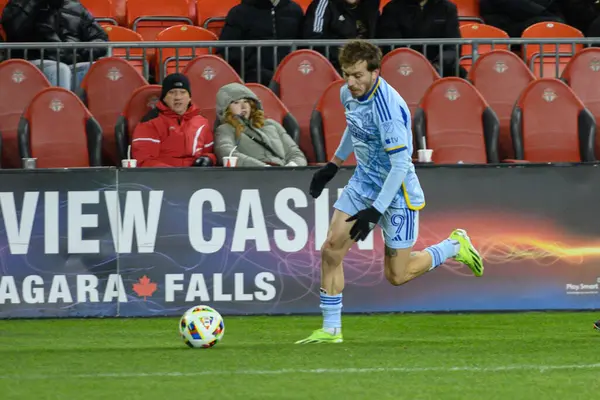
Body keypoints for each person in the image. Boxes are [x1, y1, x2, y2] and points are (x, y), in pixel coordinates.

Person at [295, 40, 484, 344]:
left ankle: (453, 245)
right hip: (363, 181)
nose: (350, 82)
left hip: (397, 194)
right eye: (346, 74)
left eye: (357, 75)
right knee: (331, 249)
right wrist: (333, 164)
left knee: (397, 275)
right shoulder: (348, 94)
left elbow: (399, 166)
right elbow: (355, 128)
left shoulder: (389, 111)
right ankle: (331, 330)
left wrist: (375, 211)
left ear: (374, 72)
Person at [1, 0, 108, 90]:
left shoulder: (76, 7)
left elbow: (100, 39)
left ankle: (91, 113)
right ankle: (60, 113)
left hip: (72, 61)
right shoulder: (22, 4)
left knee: (97, 68)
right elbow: (13, 29)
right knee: (59, 69)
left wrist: (78, 54)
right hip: (33, 62)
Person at [132, 73, 216, 168]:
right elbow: (144, 161)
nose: (178, 97)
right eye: (172, 92)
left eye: (182, 92)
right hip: (163, 178)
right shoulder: (150, 123)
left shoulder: (202, 122)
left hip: (196, 177)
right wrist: (173, 174)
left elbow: (210, 153)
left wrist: (208, 159)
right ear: (164, 98)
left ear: (189, 98)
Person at [214, 82, 307, 167]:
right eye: (236, 103)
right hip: (254, 178)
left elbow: (296, 154)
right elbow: (227, 153)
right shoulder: (225, 130)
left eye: (246, 101)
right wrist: (263, 168)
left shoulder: (273, 125)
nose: (243, 107)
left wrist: (292, 166)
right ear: (226, 109)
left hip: (284, 175)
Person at [217, 0, 304, 85]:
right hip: (253, 75)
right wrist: (253, 63)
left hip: (291, 71)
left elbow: (303, 44)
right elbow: (228, 48)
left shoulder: (295, 10)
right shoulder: (239, 12)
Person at [377, 0, 464, 78]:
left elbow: (453, 47)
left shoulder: (447, 8)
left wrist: (436, 66)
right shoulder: (392, 8)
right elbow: (392, 45)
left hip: (440, 68)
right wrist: (416, 65)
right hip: (403, 68)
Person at [303, 0, 380, 71]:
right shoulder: (325, 3)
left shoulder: (370, 6)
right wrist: (344, 56)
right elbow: (313, 39)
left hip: (366, 66)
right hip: (333, 66)